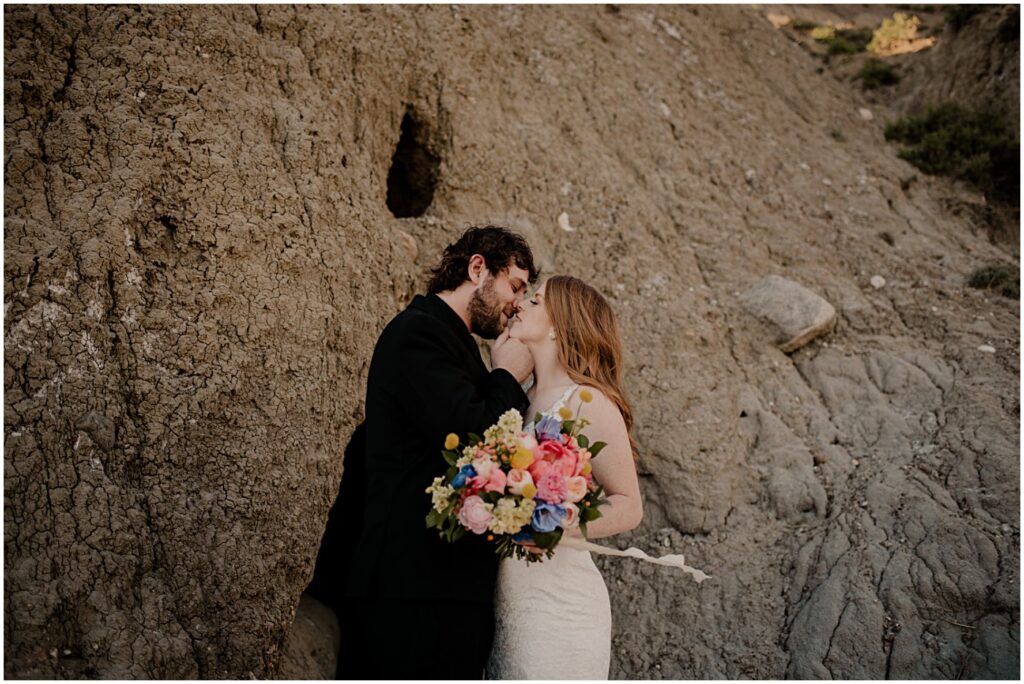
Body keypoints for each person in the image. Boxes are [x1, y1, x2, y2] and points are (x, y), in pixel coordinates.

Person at [336, 226, 539, 679]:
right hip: (408, 591)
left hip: (437, 588)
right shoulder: (419, 333)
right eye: (515, 286)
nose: (518, 304)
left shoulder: (456, 345)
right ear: (477, 268)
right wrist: (506, 377)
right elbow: (470, 436)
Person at [485, 275, 644, 680]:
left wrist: (554, 526)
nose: (521, 305)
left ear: (559, 326)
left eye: (536, 302)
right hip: (510, 598)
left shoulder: (588, 402)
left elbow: (629, 505)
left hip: (559, 606)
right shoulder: (521, 400)